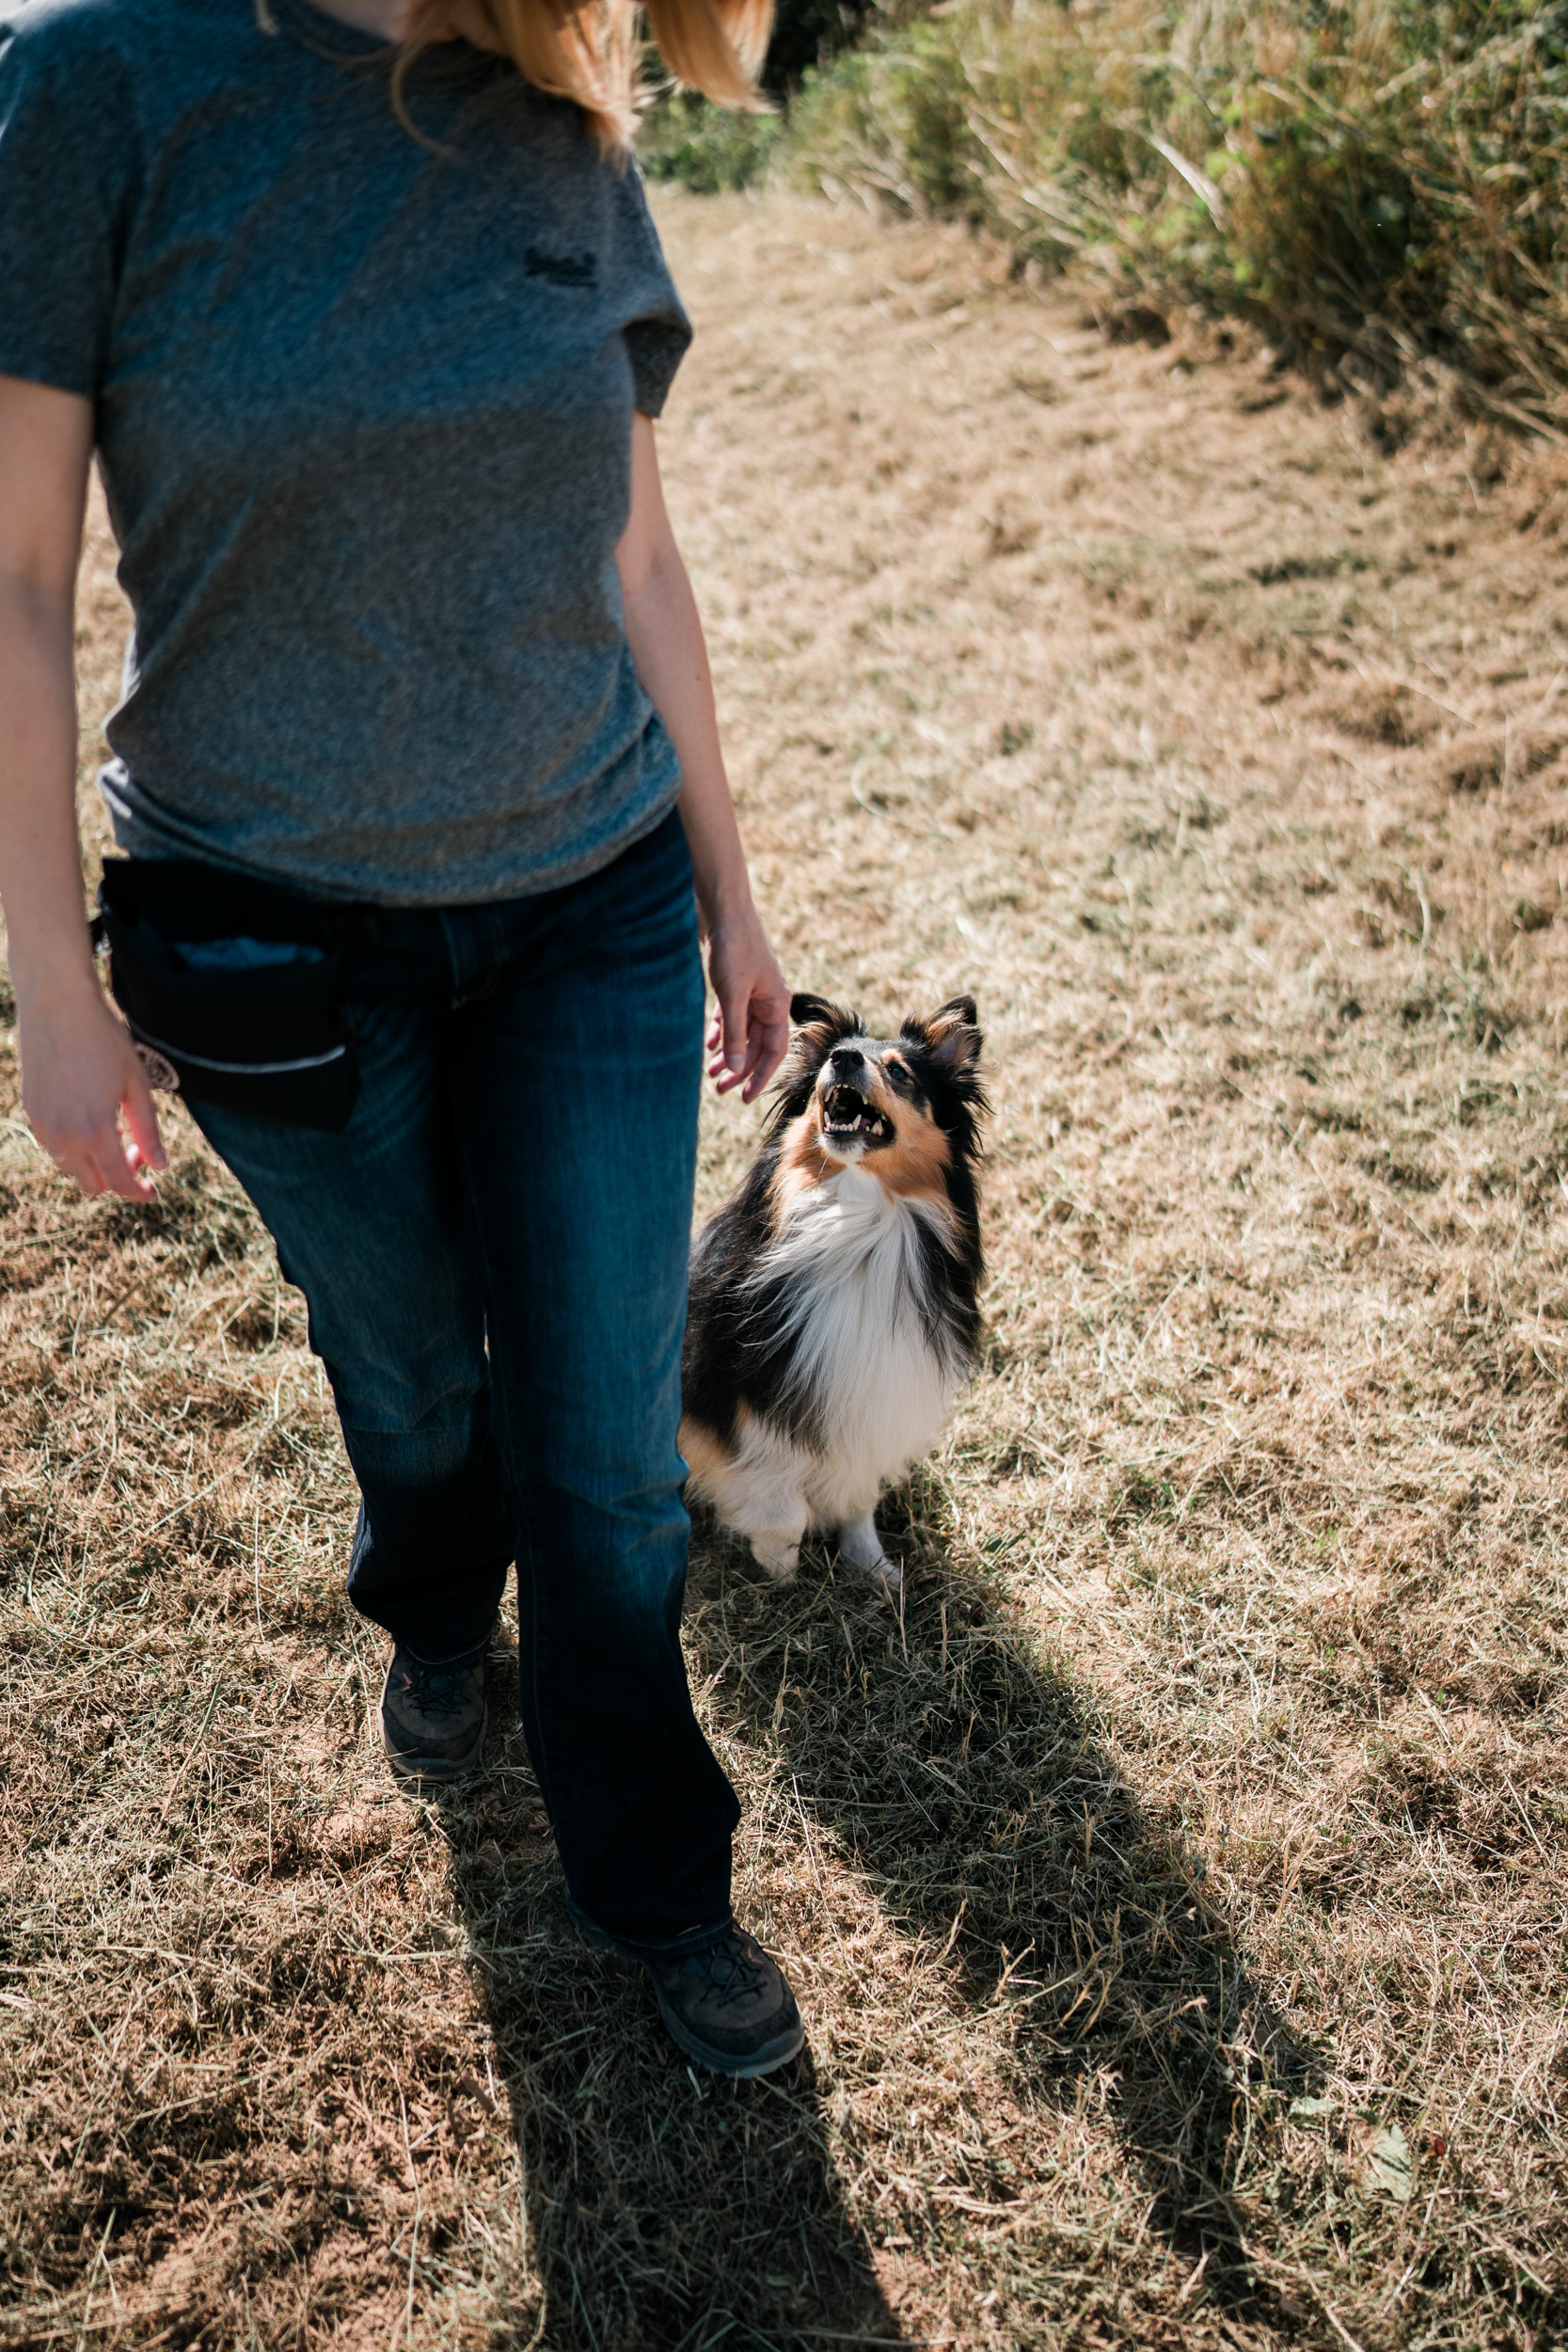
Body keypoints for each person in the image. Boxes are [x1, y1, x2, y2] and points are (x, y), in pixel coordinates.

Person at [0, 0, 805, 2078]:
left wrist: (729, 881)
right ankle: (437, 1610)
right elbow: (13, 576)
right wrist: (52, 989)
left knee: (614, 1445)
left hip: (594, 898)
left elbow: (634, 545)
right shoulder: (99, 81)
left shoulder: (562, 112)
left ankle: (655, 1873)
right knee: (412, 1366)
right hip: (266, 928)